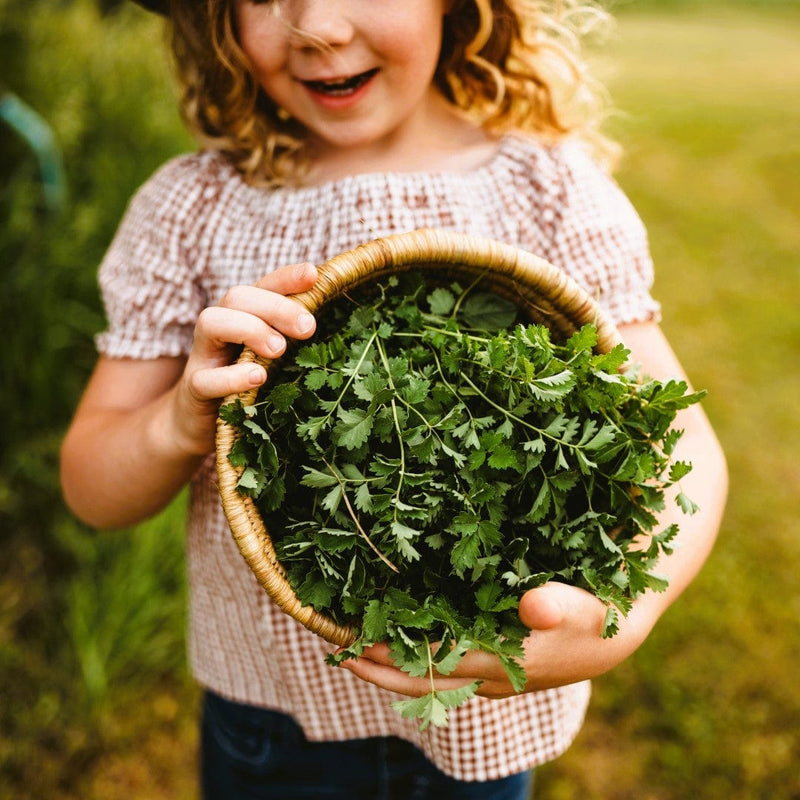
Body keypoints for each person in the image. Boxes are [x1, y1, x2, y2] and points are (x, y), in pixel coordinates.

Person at [60, 1, 728, 798]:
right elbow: (91, 488)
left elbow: (682, 445)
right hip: (272, 722)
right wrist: (174, 424)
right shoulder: (191, 210)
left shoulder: (548, 189)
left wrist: (625, 617)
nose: (319, 27)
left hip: (481, 727)